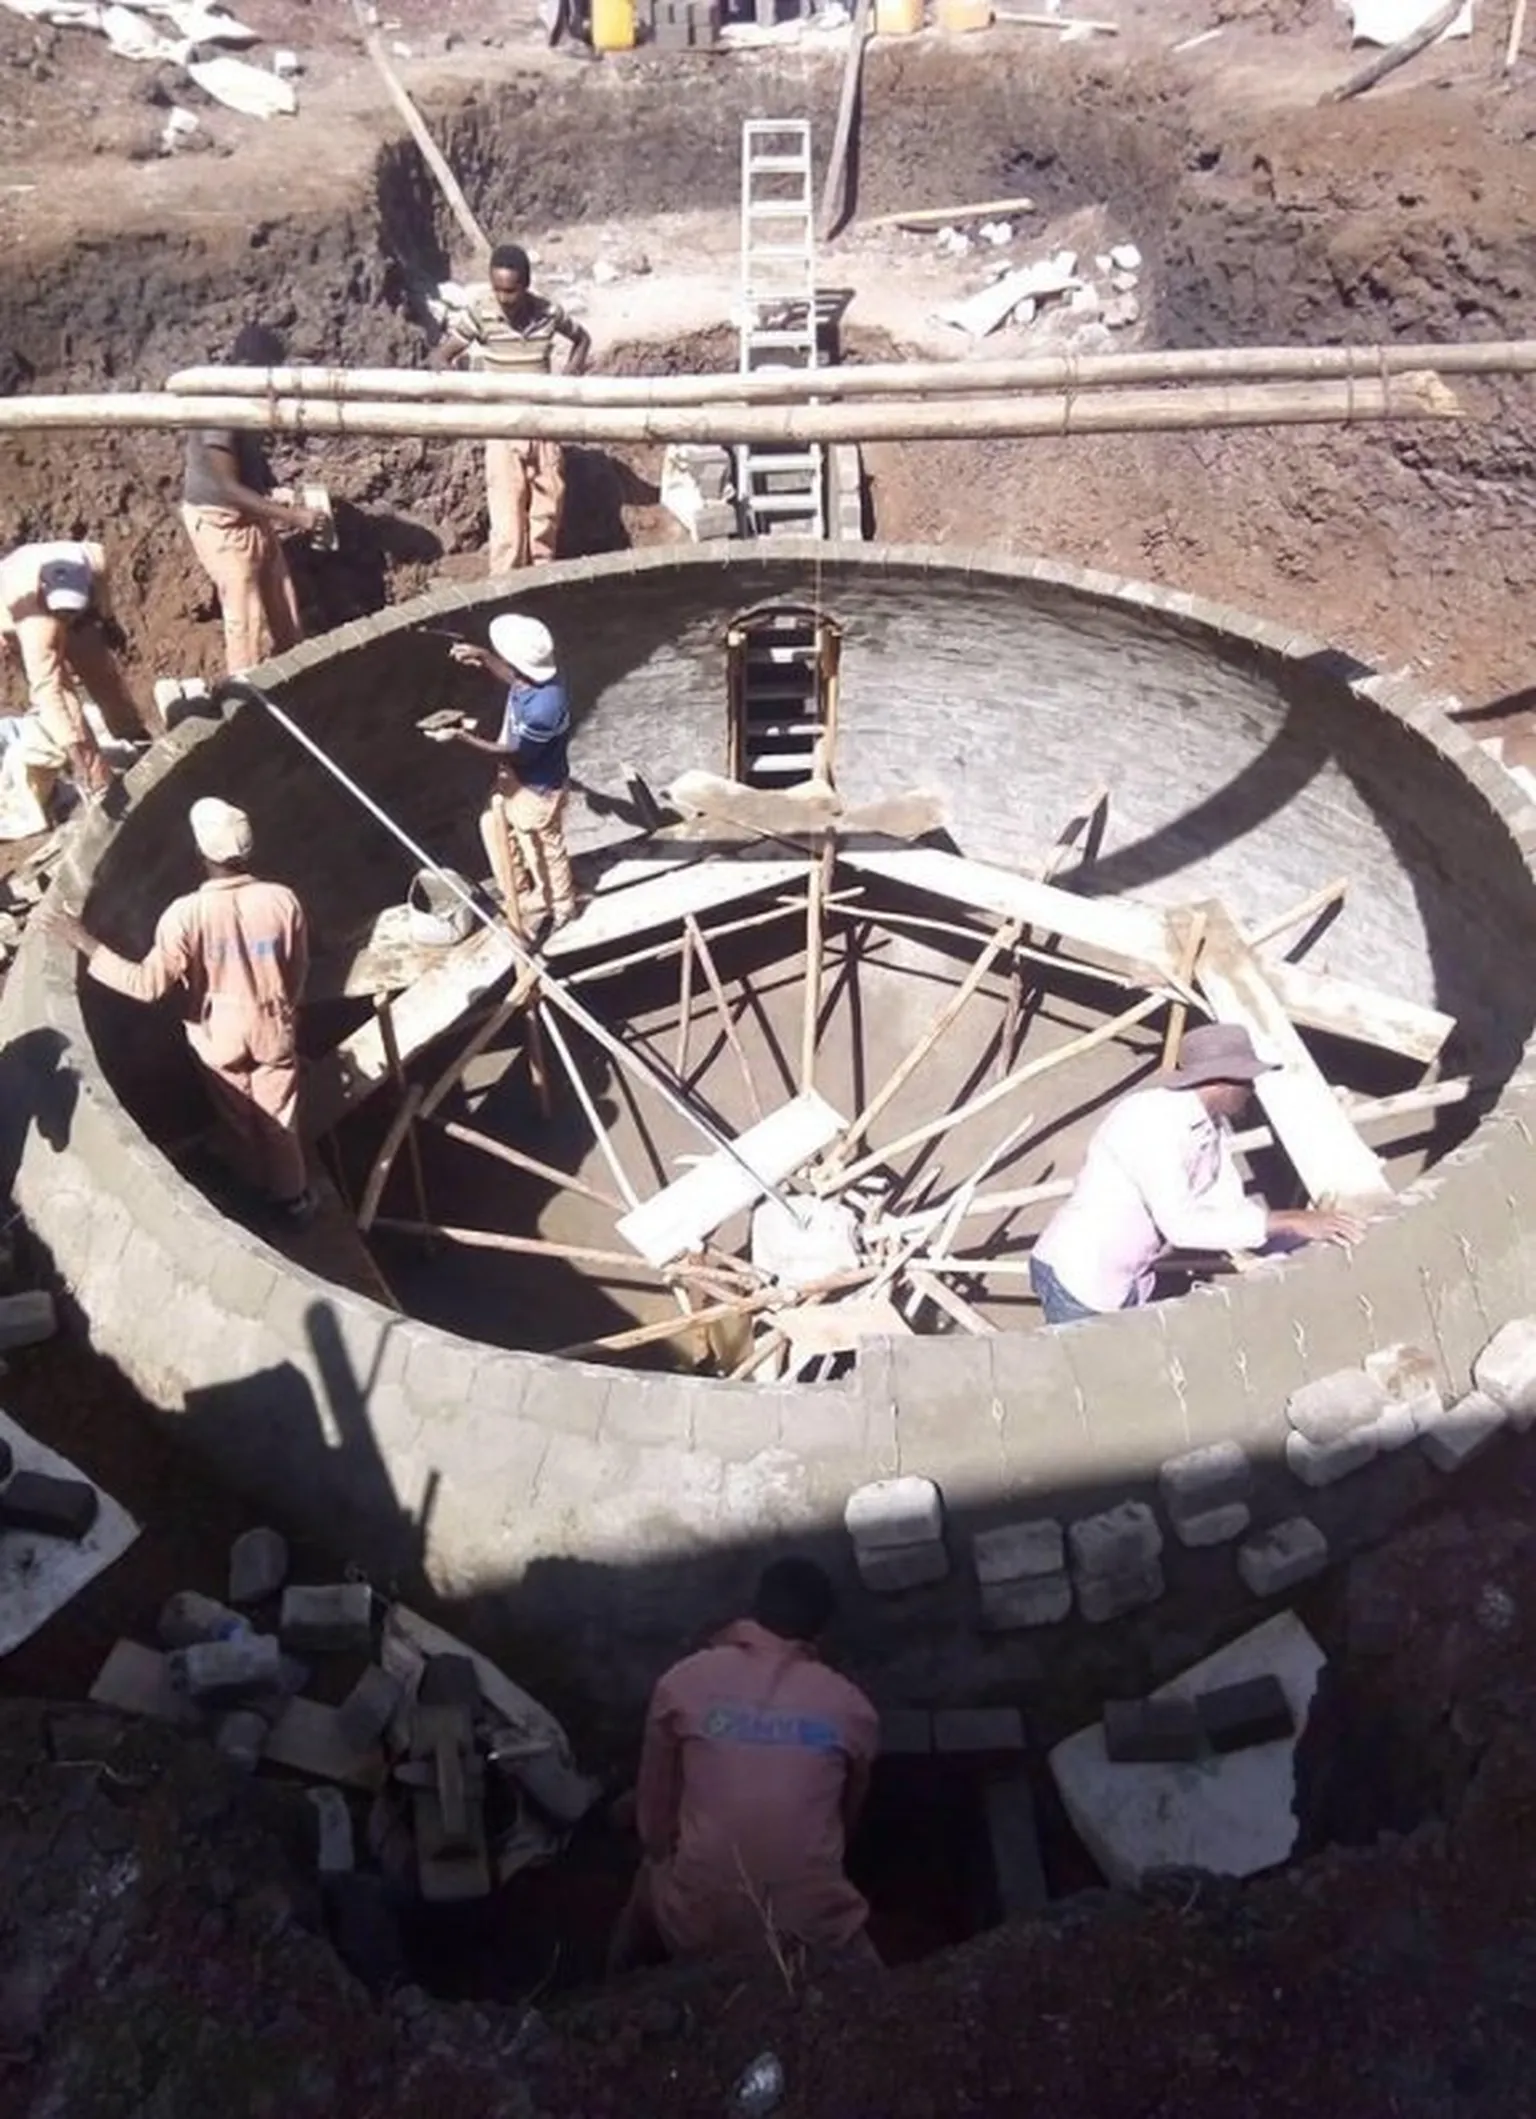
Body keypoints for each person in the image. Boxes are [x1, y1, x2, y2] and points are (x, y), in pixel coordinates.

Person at [609, 1558, 880, 1974]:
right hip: (813, 1934)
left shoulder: (681, 1683)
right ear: (821, 1635)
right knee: (874, 1980)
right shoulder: (853, 1710)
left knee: (650, 1874)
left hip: (696, 1929)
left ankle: (613, 1982)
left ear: (754, 1610)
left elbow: (654, 1829)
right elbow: (846, 1823)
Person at [50, 797, 315, 1223]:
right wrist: (289, 1009)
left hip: (218, 1035)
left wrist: (86, 944)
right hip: (272, 1026)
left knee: (240, 1116)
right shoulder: (283, 901)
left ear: (199, 854)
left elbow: (146, 984)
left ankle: (253, 1185)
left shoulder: (186, 915)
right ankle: (294, 1201)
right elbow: (297, 966)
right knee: (280, 1120)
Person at [1029, 1022, 1367, 1325]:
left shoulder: (1209, 1127)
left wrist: (1298, 1239)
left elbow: (1224, 1202)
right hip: (1080, 1279)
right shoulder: (1150, 1124)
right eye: (1248, 1080)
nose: (1253, 1090)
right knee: (1095, 1379)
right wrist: (1288, 1220)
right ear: (1222, 1080)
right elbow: (1181, 1226)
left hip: (1125, 1277)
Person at [428, 242, 591, 574]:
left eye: (511, 291)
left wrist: (566, 378)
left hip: (544, 427)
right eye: (498, 289)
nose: (504, 298)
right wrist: (466, 390)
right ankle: (504, 592)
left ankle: (542, 583)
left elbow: (582, 339)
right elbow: (441, 356)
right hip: (502, 430)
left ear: (526, 286)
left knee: (546, 516)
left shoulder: (548, 314)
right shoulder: (481, 314)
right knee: (507, 526)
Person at [180, 324, 322, 674]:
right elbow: (226, 486)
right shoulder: (222, 407)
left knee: (283, 602)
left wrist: (278, 493)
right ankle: (249, 697)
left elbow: (250, 465)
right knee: (246, 621)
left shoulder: (249, 400)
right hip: (221, 522)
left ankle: (298, 679)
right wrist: (294, 518)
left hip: (249, 514)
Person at [425, 612, 577, 933]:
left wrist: (461, 737)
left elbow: (515, 752)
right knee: (492, 824)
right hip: (515, 779)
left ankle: (561, 906)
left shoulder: (544, 709)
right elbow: (514, 678)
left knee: (542, 847)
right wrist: (483, 656)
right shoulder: (535, 680)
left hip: (536, 787)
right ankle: (521, 892)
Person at [0, 537, 159, 803]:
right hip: (18, 618)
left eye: (69, 614)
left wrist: (108, 619)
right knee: (60, 695)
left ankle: (134, 735)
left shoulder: (89, 557)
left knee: (102, 672)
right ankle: (97, 777)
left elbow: (100, 580)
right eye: (63, 616)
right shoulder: (31, 617)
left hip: (75, 606)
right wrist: (74, 748)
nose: (66, 621)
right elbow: (49, 691)